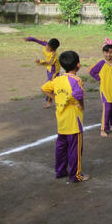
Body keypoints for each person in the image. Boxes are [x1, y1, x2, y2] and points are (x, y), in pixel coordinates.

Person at [42, 51, 89, 183]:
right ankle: (76, 175)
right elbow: (78, 95)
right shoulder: (76, 80)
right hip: (74, 121)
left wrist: (55, 98)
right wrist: (81, 105)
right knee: (75, 150)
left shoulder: (57, 80)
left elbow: (44, 88)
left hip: (61, 121)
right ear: (78, 65)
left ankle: (60, 171)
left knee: (61, 148)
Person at [89, 38, 112, 137]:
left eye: (111, 52)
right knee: (107, 109)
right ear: (103, 52)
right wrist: (99, 78)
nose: (108, 55)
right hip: (105, 90)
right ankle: (103, 129)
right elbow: (91, 71)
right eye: (106, 52)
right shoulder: (101, 63)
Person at [25, 36, 61, 108]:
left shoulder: (54, 55)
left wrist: (40, 61)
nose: (47, 48)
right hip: (48, 69)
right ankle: (59, 95)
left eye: (49, 48)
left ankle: (51, 101)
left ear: (53, 49)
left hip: (53, 72)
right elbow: (38, 41)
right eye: (47, 46)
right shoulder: (46, 44)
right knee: (52, 86)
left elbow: (49, 62)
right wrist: (30, 39)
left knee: (48, 87)